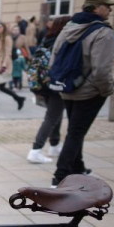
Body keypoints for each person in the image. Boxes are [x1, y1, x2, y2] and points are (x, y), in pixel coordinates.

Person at [50, 0, 114, 187]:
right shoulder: (103, 32)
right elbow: (102, 69)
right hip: (89, 92)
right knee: (76, 132)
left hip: (67, 87)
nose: (110, 10)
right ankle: (60, 176)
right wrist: (106, 90)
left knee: (74, 130)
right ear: (96, 8)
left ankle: (78, 168)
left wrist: (60, 81)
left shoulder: (69, 27)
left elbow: (54, 57)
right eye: (107, 6)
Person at [27, 16, 71, 164]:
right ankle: (36, 150)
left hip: (43, 83)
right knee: (52, 117)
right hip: (56, 83)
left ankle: (55, 145)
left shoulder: (47, 40)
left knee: (55, 115)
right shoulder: (63, 42)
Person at [0, 22, 26, 113]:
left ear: (4, 28)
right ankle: (18, 99)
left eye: (0, 27)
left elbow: (8, 53)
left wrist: (3, 66)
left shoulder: (7, 38)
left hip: (3, 65)